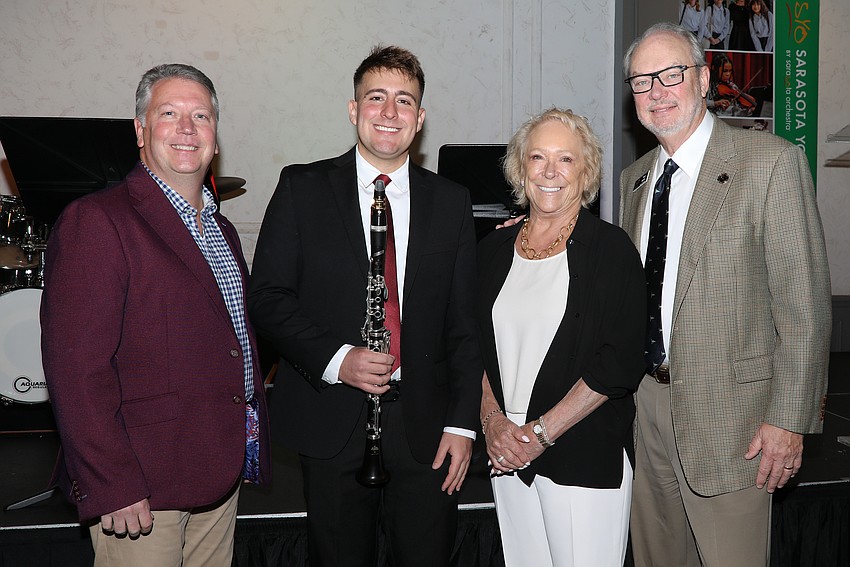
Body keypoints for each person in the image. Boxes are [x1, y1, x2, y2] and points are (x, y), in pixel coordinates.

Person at [247, 45, 481, 567]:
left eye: (404, 101)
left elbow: (465, 326)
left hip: (428, 429)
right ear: (354, 109)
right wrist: (338, 360)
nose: (390, 112)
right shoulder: (301, 187)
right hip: (332, 419)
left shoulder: (451, 201)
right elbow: (266, 298)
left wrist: (463, 426)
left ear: (420, 119)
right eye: (376, 98)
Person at [41, 63, 270, 566]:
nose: (187, 129)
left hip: (217, 474)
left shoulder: (222, 230)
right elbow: (76, 371)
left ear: (214, 135)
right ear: (141, 131)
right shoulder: (98, 222)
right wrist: (112, 482)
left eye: (201, 116)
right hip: (142, 488)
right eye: (169, 114)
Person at [620, 23, 830, 566]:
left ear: (704, 78)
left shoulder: (769, 164)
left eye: (671, 74)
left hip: (735, 422)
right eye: (642, 81)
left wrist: (788, 421)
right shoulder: (634, 180)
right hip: (647, 409)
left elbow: (803, 308)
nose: (657, 91)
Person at [477, 108, 645, 566]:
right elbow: (476, 349)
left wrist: (540, 434)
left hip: (582, 453)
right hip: (505, 453)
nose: (550, 172)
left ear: (587, 172)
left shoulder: (611, 251)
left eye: (566, 160)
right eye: (537, 158)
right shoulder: (491, 250)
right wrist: (494, 426)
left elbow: (619, 363)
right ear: (520, 169)